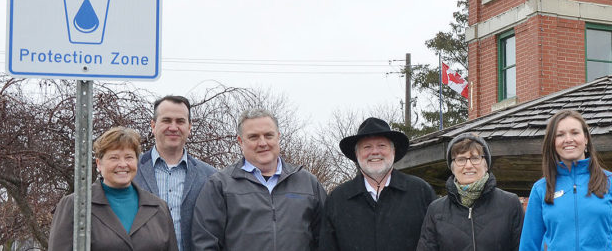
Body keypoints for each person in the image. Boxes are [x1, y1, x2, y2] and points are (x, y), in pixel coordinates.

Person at [191, 108, 327, 250]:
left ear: (278, 137)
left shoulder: (308, 183)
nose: (262, 143)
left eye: (268, 135)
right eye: (254, 137)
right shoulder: (220, 185)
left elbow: (325, 239)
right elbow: (205, 243)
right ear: (240, 141)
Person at [519, 109, 612, 251]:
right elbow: (529, 245)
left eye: (575, 133)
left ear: (586, 139)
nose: (568, 139)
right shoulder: (541, 189)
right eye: (560, 135)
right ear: (553, 142)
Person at [48, 127, 177, 251]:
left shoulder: (159, 208)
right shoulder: (75, 205)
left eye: (129, 157)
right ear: (99, 163)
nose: (122, 164)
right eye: (114, 157)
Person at [319, 117, 437, 251]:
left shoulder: (420, 191)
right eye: (367, 147)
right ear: (357, 154)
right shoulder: (338, 199)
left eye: (381, 145)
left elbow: (436, 242)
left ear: (393, 151)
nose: (375, 152)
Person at [133, 95, 217, 251]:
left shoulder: (210, 176)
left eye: (180, 121)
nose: (173, 127)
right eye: (166, 120)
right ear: (153, 125)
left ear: (189, 127)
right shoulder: (131, 171)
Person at [417, 133, 524, 251]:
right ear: (452, 168)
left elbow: (524, 247)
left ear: (486, 165)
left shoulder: (510, 204)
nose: (468, 165)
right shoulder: (436, 210)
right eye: (461, 159)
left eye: (475, 158)